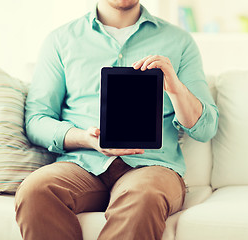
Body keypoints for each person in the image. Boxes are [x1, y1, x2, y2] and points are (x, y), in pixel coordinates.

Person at [14, 0, 219, 239]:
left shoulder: (180, 41)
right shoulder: (61, 40)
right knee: (35, 190)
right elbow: (37, 120)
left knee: (143, 196)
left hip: (152, 167)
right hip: (81, 163)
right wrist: (86, 139)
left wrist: (175, 89)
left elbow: (206, 128)